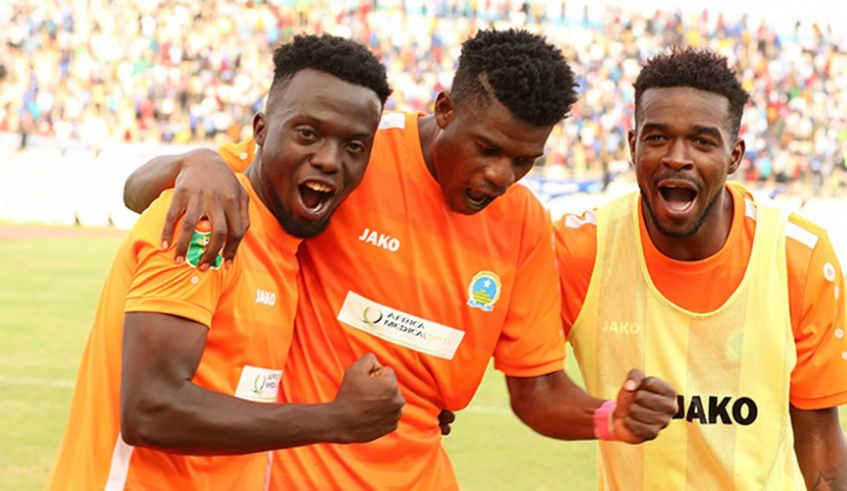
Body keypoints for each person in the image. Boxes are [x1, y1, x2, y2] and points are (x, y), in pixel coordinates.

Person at [124, 29, 678, 490]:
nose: (502, 176)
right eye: (487, 148)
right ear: (445, 108)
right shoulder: (355, 150)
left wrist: (611, 418)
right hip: (295, 472)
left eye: (523, 160)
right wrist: (196, 161)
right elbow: (163, 187)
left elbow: (537, 390)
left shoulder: (524, 224)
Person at [43, 34, 406, 491]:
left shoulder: (287, 243)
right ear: (260, 131)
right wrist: (336, 420)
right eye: (308, 133)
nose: (330, 160)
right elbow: (150, 410)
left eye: (354, 145)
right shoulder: (205, 220)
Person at [554, 48, 847, 490]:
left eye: (702, 141)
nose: (677, 157)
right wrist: (607, 416)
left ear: (734, 156)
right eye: (657, 138)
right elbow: (529, 385)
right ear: (632, 145)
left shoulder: (799, 258)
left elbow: (820, 431)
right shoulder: (580, 249)